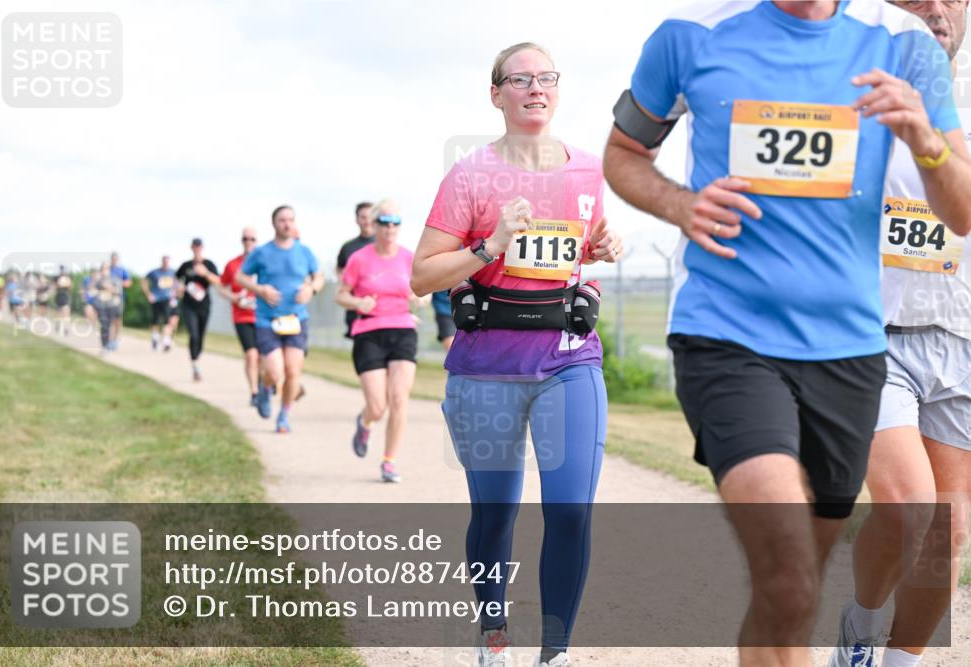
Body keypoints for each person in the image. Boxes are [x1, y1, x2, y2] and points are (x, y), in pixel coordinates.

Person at [602, 1, 971, 665]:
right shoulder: (690, 37)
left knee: (802, 588)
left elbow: (962, 210)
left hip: (852, 350)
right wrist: (679, 204)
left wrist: (926, 138)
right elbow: (625, 152)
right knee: (791, 571)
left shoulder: (905, 47)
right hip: (729, 333)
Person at [411, 42, 622, 667]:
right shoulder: (470, 176)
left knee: (571, 512)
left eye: (547, 77)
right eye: (521, 78)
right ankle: (493, 636)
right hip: (487, 366)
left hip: (569, 356)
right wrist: (492, 244)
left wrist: (606, 245)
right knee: (496, 514)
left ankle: (554, 652)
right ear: (496, 93)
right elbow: (422, 277)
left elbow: (587, 247)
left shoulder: (588, 169)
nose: (536, 87)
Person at [829, 3, 971, 667]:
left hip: (962, 339)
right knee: (909, 506)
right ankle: (859, 628)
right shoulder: (852, 88)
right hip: (874, 333)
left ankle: (900, 660)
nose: (938, 10)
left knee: (949, 532)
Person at [338, 200, 428, 482]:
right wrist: (357, 302)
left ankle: (389, 462)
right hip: (369, 332)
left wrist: (419, 298)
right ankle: (365, 422)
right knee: (377, 406)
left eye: (395, 222)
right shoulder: (359, 259)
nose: (390, 227)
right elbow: (340, 295)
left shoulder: (409, 257)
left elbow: (424, 294)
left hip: (402, 329)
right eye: (385, 222)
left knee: (399, 399)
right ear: (374, 225)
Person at [237, 205, 323, 433]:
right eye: (282, 220)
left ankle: (284, 415)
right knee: (275, 372)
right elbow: (240, 277)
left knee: (293, 371)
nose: (287, 224)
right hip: (268, 319)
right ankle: (266, 389)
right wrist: (260, 289)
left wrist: (311, 289)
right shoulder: (262, 252)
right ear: (274, 223)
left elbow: (319, 277)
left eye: (290, 220)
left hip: (296, 319)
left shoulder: (304, 252)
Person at [221, 228, 263, 411]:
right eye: (246, 239)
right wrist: (234, 298)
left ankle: (263, 385)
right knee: (251, 355)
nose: (249, 242)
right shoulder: (233, 265)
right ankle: (254, 391)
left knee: (263, 357)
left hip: (262, 316)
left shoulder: (264, 263)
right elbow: (222, 287)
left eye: (252, 239)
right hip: (242, 316)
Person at [176, 239, 221, 382]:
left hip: (204, 305)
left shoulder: (208, 264)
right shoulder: (186, 265)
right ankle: (195, 365)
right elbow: (176, 279)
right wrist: (179, 288)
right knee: (193, 334)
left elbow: (219, 281)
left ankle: (197, 354)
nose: (197, 249)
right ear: (191, 248)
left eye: (199, 246)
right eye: (194, 246)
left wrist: (205, 273)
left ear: (202, 248)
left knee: (200, 335)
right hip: (189, 305)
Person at [336, 202, 375, 338]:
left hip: (384, 308)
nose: (367, 221)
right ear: (357, 219)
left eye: (370, 216)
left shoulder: (385, 244)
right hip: (356, 308)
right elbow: (340, 270)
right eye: (363, 217)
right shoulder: (348, 247)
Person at [142, 255, 179, 352]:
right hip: (156, 298)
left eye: (167, 261)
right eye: (164, 261)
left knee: (167, 319)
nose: (166, 263)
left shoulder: (172, 272)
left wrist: (174, 294)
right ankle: (155, 337)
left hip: (167, 298)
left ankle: (166, 341)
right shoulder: (154, 272)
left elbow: (176, 283)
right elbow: (144, 281)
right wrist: (148, 294)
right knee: (156, 319)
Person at [91, 262, 124, 355]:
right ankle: (104, 346)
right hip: (100, 305)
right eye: (102, 268)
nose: (103, 270)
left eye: (105, 268)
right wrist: (94, 281)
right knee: (104, 325)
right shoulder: (98, 280)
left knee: (112, 324)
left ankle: (113, 341)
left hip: (112, 305)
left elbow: (119, 292)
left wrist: (109, 287)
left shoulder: (115, 279)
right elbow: (90, 291)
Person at [108, 251, 132, 350]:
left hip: (118, 298)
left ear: (117, 259)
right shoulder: (107, 269)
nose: (114, 260)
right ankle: (110, 340)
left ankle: (115, 339)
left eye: (115, 258)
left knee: (117, 319)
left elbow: (129, 283)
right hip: (107, 299)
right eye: (112, 258)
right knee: (109, 320)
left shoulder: (122, 270)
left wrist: (118, 284)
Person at [53, 265, 73, 336]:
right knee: (58, 313)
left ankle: (66, 328)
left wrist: (64, 284)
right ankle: (58, 325)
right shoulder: (56, 278)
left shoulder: (68, 277)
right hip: (59, 296)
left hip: (65, 296)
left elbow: (70, 286)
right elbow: (54, 286)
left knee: (66, 312)